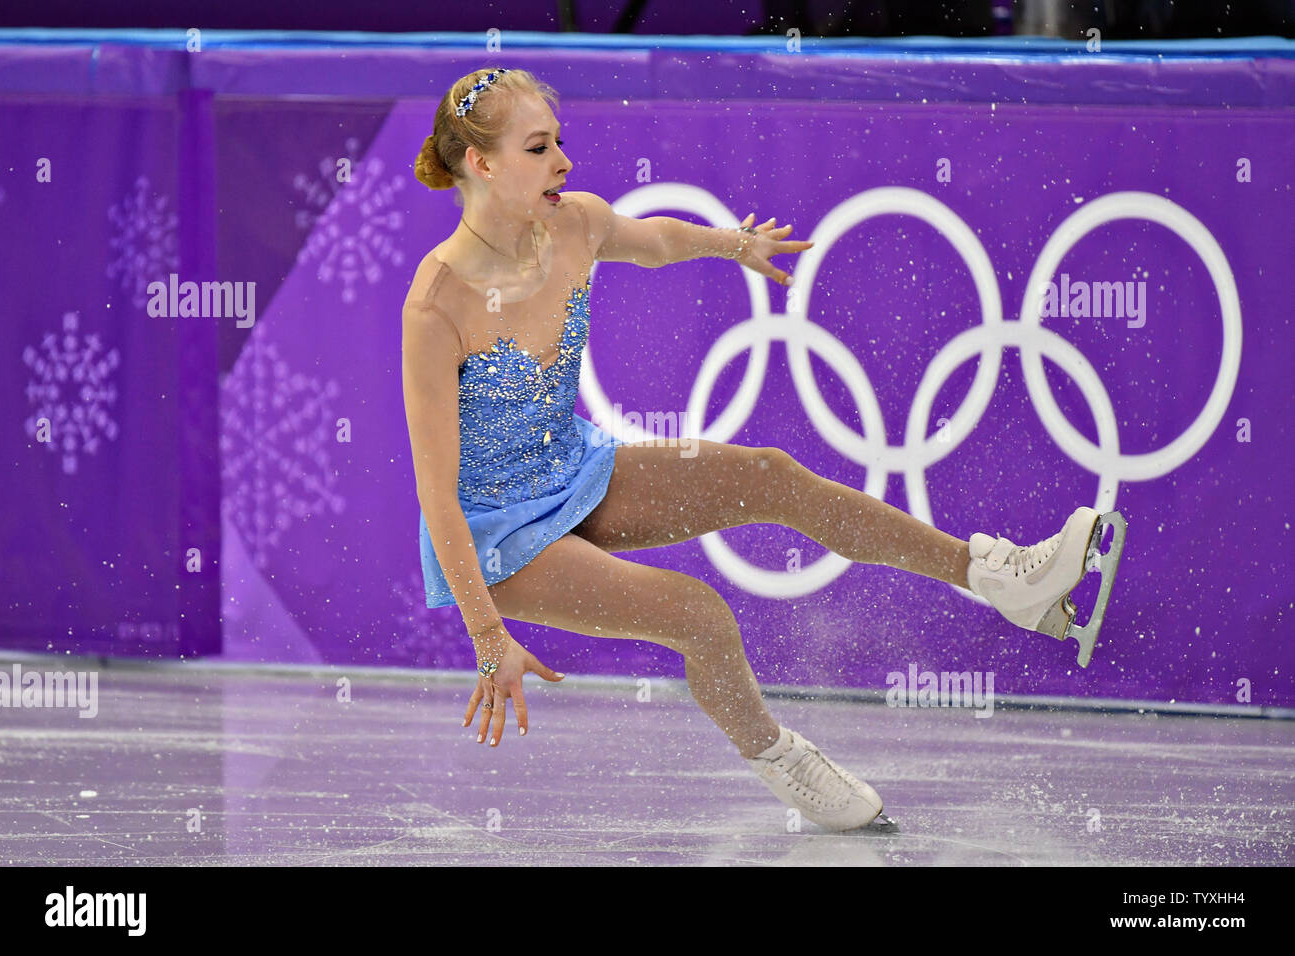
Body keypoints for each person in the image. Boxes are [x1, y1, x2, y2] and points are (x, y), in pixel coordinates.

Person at [403, 67, 1125, 832]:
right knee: (699, 614)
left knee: (768, 475)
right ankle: (779, 755)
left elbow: (655, 243)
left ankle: (998, 577)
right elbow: (438, 497)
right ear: (481, 164)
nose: (564, 162)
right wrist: (489, 638)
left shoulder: (574, 224)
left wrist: (735, 244)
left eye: (559, 142)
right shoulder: (437, 305)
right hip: (497, 537)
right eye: (539, 148)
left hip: (574, 472)